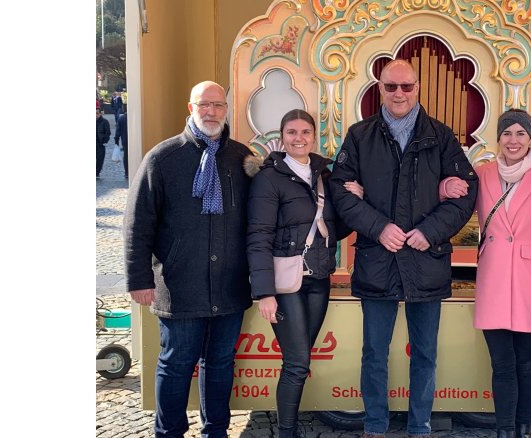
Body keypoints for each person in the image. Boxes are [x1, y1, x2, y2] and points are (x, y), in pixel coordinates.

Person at [329, 59, 478, 438]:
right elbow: (340, 192)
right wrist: (378, 227)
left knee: (425, 354)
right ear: (379, 88)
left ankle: (420, 427)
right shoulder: (359, 136)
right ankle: (375, 426)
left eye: (406, 87)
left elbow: (466, 193)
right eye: (391, 86)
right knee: (374, 354)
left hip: (426, 260)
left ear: (418, 88)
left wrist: (430, 231)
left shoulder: (441, 137)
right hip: (377, 260)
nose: (399, 94)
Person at [124, 80, 255, 438]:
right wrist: (139, 279)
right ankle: (169, 433)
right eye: (203, 105)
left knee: (220, 365)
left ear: (226, 110)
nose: (211, 111)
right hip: (181, 286)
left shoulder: (243, 159)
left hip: (229, 287)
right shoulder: (163, 158)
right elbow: (138, 222)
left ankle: (216, 431)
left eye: (218, 105)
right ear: (190, 107)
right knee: (176, 364)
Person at [442, 109, 531, 438]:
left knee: (525, 363)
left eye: (520, 134)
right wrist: (445, 185)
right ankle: (504, 431)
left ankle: (522, 428)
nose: (513, 140)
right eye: (507, 134)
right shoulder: (482, 174)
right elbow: (458, 204)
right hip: (495, 277)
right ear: (498, 139)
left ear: (530, 139)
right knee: (501, 363)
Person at [246, 109, 365, 438]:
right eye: (291, 132)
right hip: (286, 284)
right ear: (282, 136)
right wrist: (264, 292)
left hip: (319, 279)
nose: (299, 138)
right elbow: (258, 237)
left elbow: (331, 230)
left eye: (305, 132)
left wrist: (353, 201)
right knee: (297, 362)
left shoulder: (324, 174)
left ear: (314, 136)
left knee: (299, 360)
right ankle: (287, 431)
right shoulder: (269, 178)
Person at [96, 107, 111, 178]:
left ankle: (97, 172)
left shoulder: (105, 121)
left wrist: (105, 141)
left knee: (100, 159)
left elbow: (108, 132)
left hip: (100, 143)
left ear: (100, 113)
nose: (96, 115)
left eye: (97, 113)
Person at [114, 112, 129, 178]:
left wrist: (116, 141)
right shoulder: (137, 116)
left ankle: (127, 172)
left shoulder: (121, 118)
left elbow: (118, 131)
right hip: (136, 139)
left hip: (125, 140)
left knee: (126, 156)